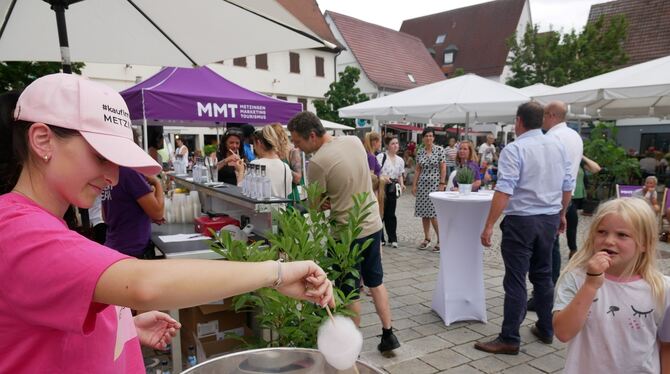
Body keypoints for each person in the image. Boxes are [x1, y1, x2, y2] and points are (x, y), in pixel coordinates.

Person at [0, 75, 334, 373]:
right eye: (101, 156)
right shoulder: (14, 229)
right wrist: (276, 273)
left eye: (117, 162)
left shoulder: (43, 223)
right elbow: (145, 285)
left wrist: (120, 328)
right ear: (42, 140)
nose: (113, 177)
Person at [287, 111, 399, 353]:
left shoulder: (317, 163)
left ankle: (353, 348)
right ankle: (388, 334)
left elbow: (315, 208)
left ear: (312, 135)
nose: (297, 147)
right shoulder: (353, 140)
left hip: (346, 234)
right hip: (372, 224)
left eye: (298, 141)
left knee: (350, 292)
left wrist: (324, 200)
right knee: (376, 282)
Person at [475, 102, 573, 354]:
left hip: (522, 221)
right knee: (543, 275)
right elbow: (567, 185)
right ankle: (546, 327)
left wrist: (488, 225)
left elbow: (505, 189)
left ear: (519, 121)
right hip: (548, 218)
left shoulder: (515, 149)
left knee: (516, 279)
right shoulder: (558, 147)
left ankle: (509, 337)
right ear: (540, 120)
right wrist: (562, 213)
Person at [552, 198, 670, 372]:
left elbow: (667, 344)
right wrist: (590, 285)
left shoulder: (662, 289)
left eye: (622, 235)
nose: (608, 241)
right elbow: (563, 332)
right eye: (602, 232)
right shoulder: (576, 278)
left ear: (645, 243)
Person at [102, 166, 165, 258]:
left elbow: (106, 216)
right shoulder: (130, 172)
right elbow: (158, 213)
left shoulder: (109, 170)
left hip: (113, 246)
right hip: (133, 249)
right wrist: (157, 182)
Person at [412, 128, 446, 252]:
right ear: (423, 138)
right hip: (422, 185)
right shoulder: (420, 151)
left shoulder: (440, 150)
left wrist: (442, 183)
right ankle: (427, 238)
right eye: (426, 136)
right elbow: (417, 169)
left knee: (433, 214)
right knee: (424, 213)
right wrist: (414, 185)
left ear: (434, 137)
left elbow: (443, 167)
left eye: (431, 136)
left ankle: (441, 239)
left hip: (435, 184)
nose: (429, 138)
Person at [566, 156, 601, 258]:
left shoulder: (578, 161)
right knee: (571, 221)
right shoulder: (563, 158)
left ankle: (572, 249)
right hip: (566, 196)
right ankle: (573, 249)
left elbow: (596, 169)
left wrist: (581, 155)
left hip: (577, 197)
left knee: (572, 223)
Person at [377, 135, 405, 248]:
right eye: (393, 143)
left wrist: (402, 184)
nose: (395, 145)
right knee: (381, 213)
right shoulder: (381, 156)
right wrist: (383, 177)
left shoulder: (400, 160)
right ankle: (381, 238)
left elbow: (400, 174)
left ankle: (393, 238)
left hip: (393, 187)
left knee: (391, 213)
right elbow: (376, 172)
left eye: (397, 143)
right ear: (388, 145)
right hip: (382, 186)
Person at [251, 126, 292, 198]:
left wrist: (240, 173)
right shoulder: (285, 166)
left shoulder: (255, 164)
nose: (254, 148)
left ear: (259, 143)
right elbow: (287, 192)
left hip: (261, 208)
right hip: (280, 208)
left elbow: (246, 192)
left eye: (254, 144)